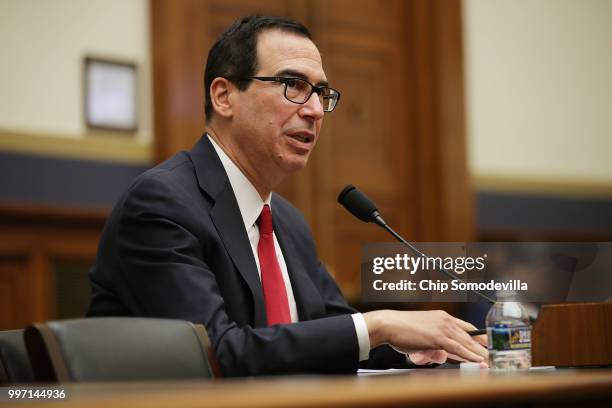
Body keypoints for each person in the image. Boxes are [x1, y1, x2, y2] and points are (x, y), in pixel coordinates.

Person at [87, 15, 487, 377]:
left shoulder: (287, 222)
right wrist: (377, 325)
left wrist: (421, 347)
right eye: (293, 85)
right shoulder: (162, 205)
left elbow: (329, 337)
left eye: (321, 93)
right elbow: (213, 355)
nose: (315, 109)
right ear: (224, 96)